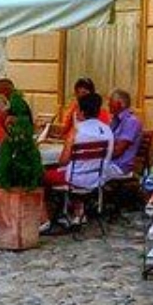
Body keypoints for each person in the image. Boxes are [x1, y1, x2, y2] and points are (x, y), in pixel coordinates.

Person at [45, 92, 112, 225]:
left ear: (81, 111)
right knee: (76, 172)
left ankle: (47, 217)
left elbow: (63, 161)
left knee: (43, 176)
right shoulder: (107, 130)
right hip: (97, 178)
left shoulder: (76, 131)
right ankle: (77, 212)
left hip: (75, 179)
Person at [106, 88, 142, 181]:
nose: (108, 104)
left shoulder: (131, 122)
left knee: (88, 172)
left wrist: (100, 156)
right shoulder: (115, 120)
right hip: (110, 162)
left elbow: (118, 151)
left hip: (120, 166)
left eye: (111, 101)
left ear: (119, 104)